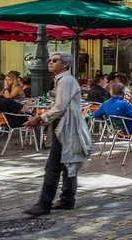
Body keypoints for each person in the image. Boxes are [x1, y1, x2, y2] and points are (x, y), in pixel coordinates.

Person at [24, 53, 88, 215]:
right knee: (68, 164)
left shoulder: (66, 80)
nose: (50, 62)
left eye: (55, 60)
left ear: (65, 64)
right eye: (50, 60)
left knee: (53, 167)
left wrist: (40, 117)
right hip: (65, 126)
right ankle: (67, 199)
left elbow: (60, 107)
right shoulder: (62, 80)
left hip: (66, 127)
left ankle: (45, 203)